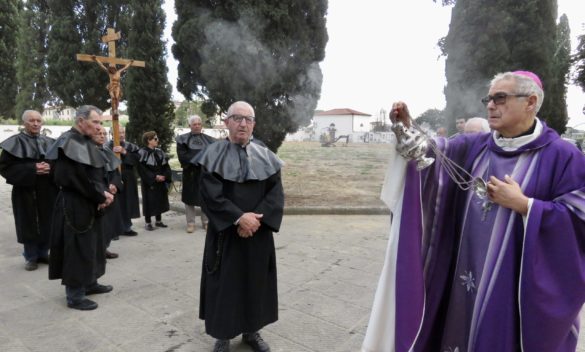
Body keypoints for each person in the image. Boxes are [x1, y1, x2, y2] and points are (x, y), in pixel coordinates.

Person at [363, 71, 585, 352]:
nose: (491, 105)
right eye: (489, 99)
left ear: (530, 102)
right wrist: (409, 128)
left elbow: (579, 218)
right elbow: (433, 155)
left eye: (500, 98)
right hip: (464, 273)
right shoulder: (477, 146)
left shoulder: (562, 156)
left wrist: (525, 205)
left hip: (514, 289)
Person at [193, 101, 284, 352]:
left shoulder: (265, 152)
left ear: (254, 124)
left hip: (258, 233)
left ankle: (252, 332)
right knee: (225, 286)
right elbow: (210, 194)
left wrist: (256, 220)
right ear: (227, 122)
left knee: (255, 284)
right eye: (237, 118)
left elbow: (275, 193)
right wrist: (238, 218)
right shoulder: (213, 154)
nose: (243, 123)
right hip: (226, 235)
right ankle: (223, 334)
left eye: (248, 119)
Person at [45, 105, 115, 311]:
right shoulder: (69, 142)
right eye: (95, 122)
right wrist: (99, 196)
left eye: (100, 122)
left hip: (90, 201)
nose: (98, 126)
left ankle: (90, 282)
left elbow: (95, 173)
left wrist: (103, 193)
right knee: (77, 248)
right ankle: (75, 295)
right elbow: (74, 179)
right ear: (81, 121)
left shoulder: (84, 141)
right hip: (75, 204)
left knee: (92, 244)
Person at [0, 110, 58, 271]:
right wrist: (32, 168)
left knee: (48, 220)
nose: (35, 124)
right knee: (28, 222)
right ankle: (31, 256)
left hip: (47, 189)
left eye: (38, 121)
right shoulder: (14, 143)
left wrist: (50, 167)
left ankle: (43, 253)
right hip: (25, 189)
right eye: (32, 120)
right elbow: (5, 168)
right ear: (24, 123)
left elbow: (60, 164)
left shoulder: (51, 142)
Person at [176, 115, 216, 233]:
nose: (197, 126)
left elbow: (213, 155)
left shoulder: (209, 140)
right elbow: (183, 156)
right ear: (190, 126)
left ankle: (206, 222)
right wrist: (199, 160)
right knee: (189, 199)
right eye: (194, 124)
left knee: (205, 197)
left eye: (199, 124)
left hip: (205, 173)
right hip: (190, 173)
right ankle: (191, 223)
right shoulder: (182, 139)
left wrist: (204, 162)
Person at [93, 126, 123, 259]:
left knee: (109, 224)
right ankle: (96, 250)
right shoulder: (88, 152)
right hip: (98, 193)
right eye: (99, 133)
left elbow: (116, 172)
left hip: (110, 194)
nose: (102, 136)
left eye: (104, 133)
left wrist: (114, 184)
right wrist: (104, 189)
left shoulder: (106, 151)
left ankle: (104, 248)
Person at [109, 126, 140, 237]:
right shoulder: (106, 146)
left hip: (128, 178)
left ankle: (127, 227)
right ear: (112, 134)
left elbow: (136, 160)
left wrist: (124, 152)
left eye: (123, 132)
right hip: (112, 177)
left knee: (127, 202)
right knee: (115, 203)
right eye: (119, 132)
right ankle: (114, 230)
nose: (121, 134)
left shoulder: (131, 146)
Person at [137, 131, 171, 231]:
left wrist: (164, 176)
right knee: (149, 201)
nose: (157, 140)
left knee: (159, 199)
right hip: (149, 182)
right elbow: (141, 168)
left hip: (160, 180)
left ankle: (158, 221)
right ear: (149, 140)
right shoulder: (142, 152)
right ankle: (148, 222)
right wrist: (154, 177)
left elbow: (166, 166)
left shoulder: (160, 152)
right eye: (155, 139)